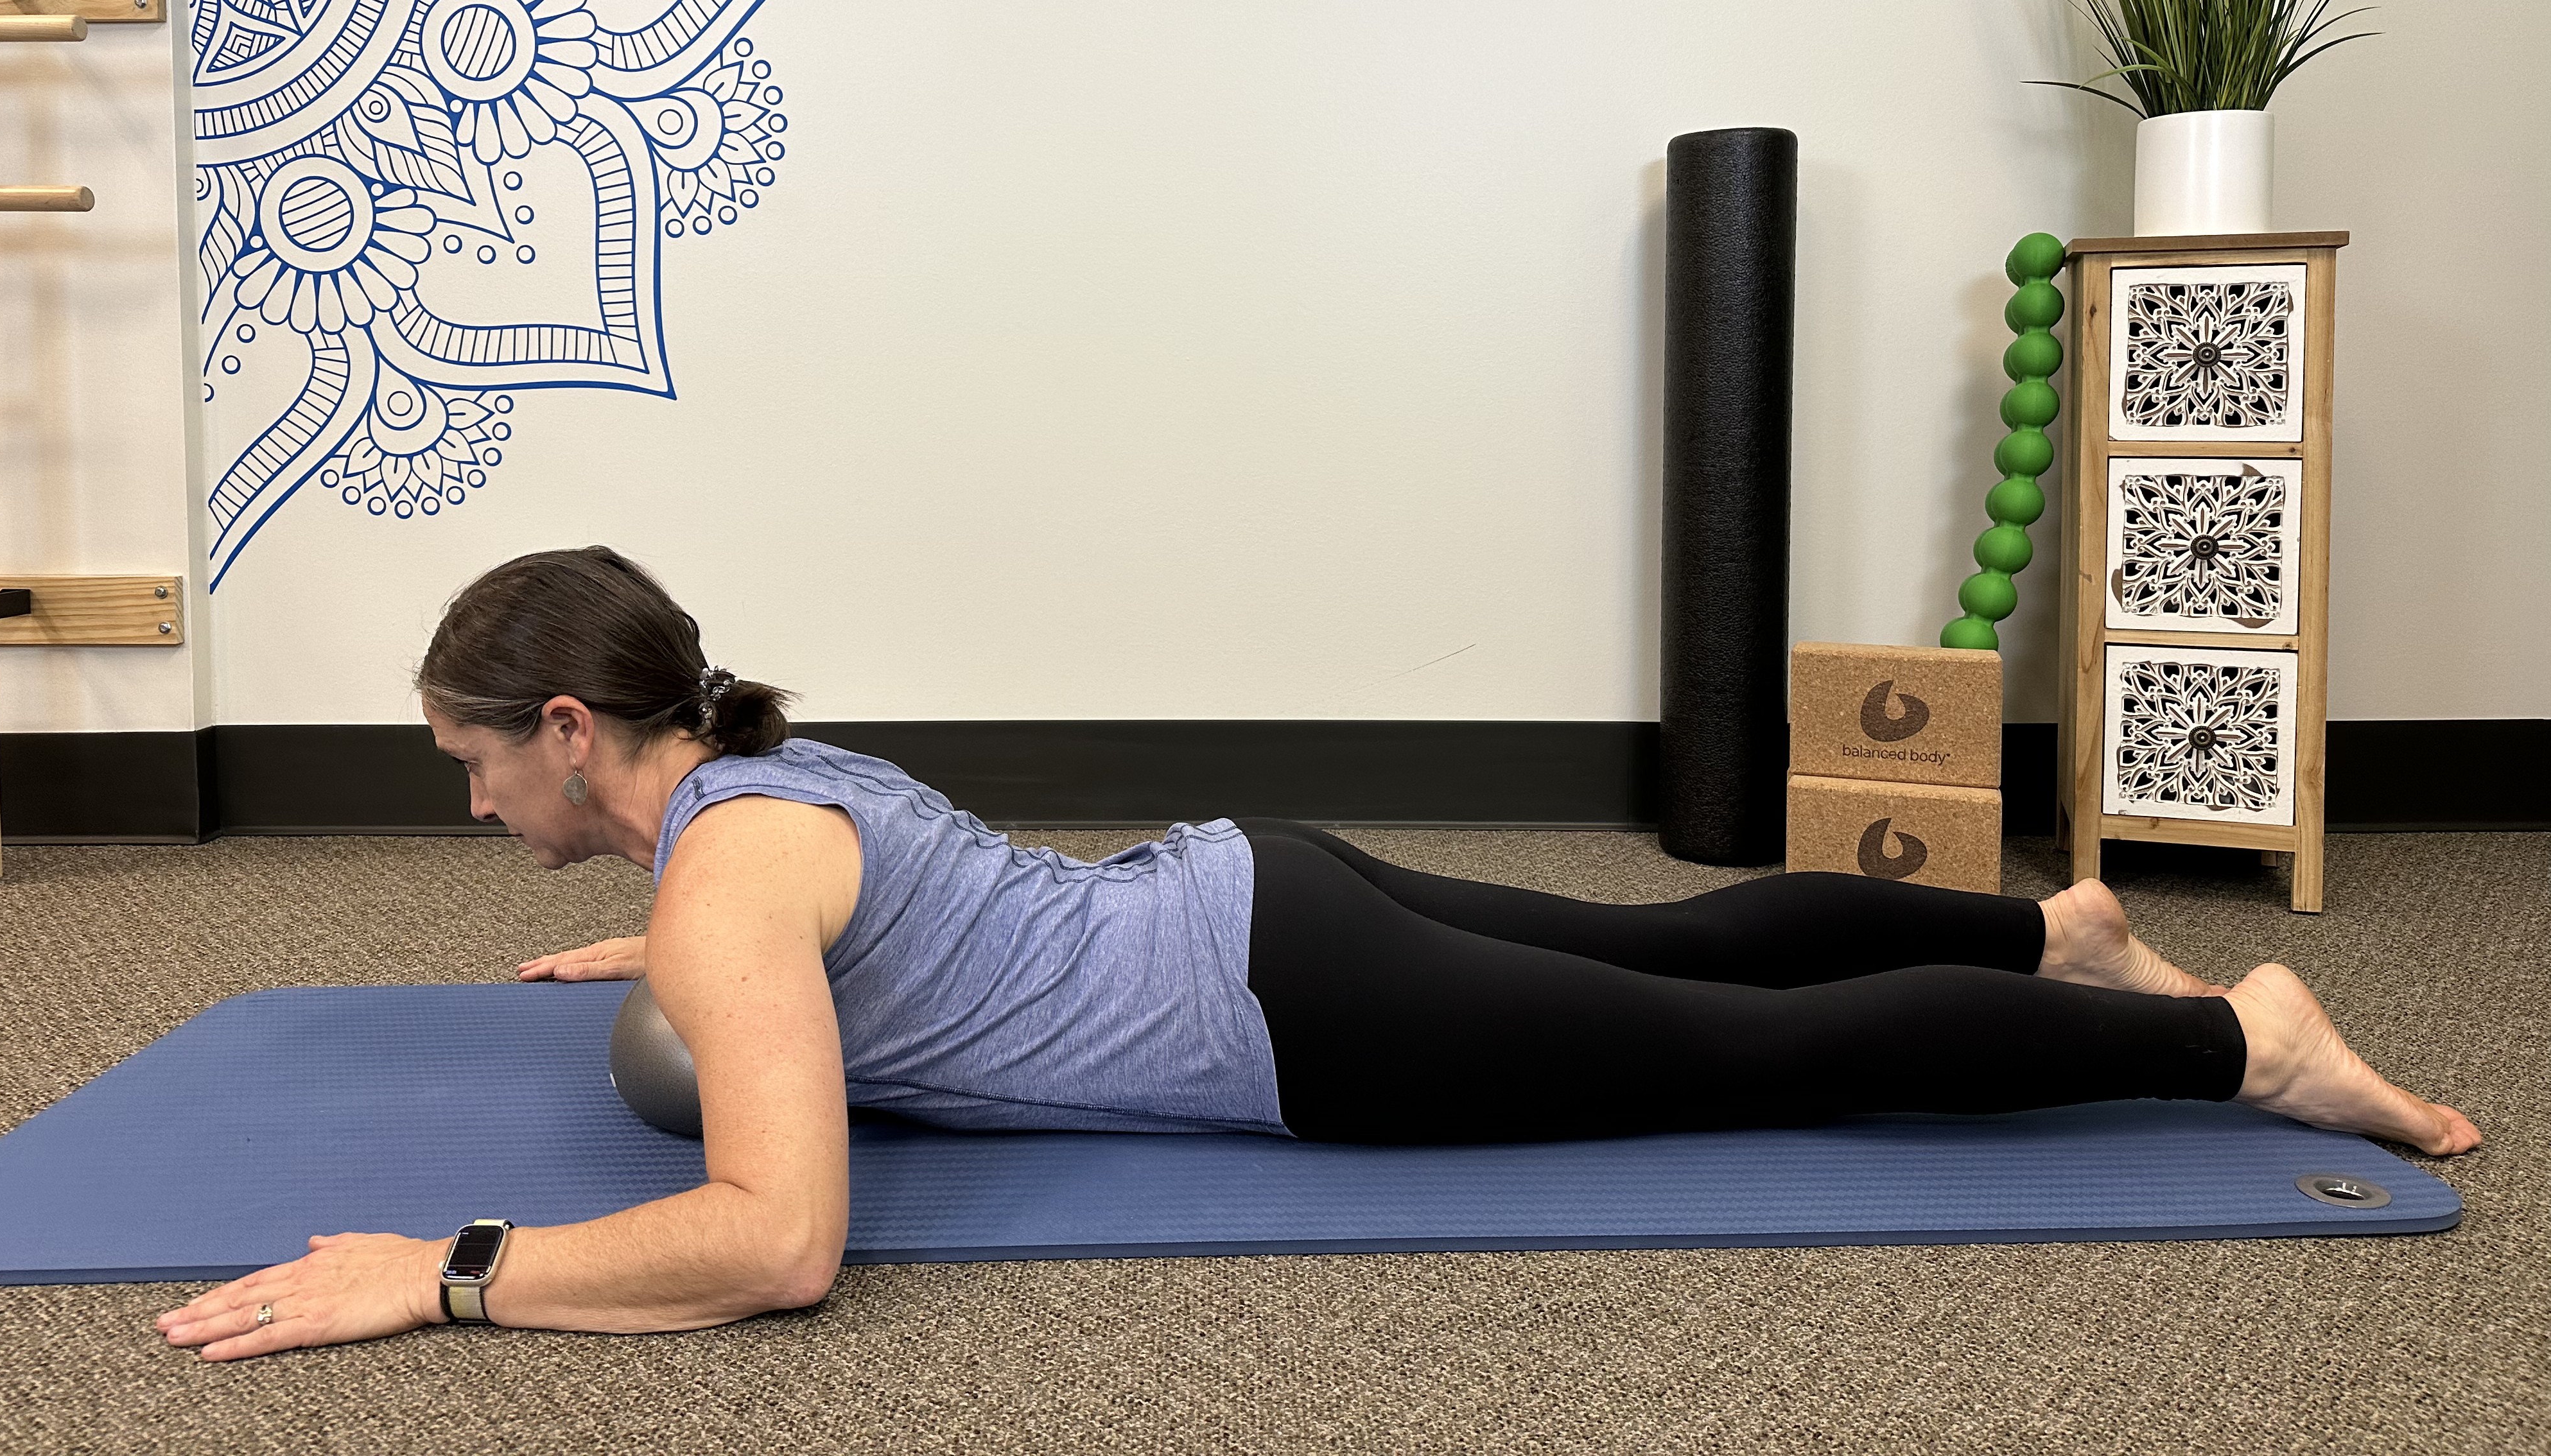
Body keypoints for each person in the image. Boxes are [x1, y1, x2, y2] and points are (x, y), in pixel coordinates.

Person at [156, 546, 2482, 1363]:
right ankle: (2053, 917)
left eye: (478, 762)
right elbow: (825, 929)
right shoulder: (762, 787)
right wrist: (657, 951)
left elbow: (777, 1243)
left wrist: (445, 1270)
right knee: (1679, 943)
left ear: (576, 731)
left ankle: (2240, 1056)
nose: (471, 804)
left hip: (1298, 1012)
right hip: (1262, 883)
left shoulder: (731, 877)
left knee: (1745, 1051)